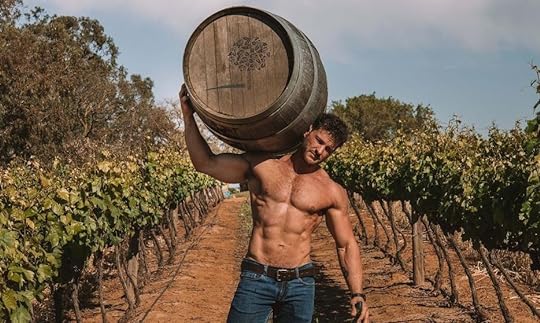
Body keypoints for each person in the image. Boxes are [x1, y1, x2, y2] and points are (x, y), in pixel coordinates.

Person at [179, 84, 370, 323]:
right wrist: (188, 116)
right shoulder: (263, 167)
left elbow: (346, 244)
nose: (320, 150)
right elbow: (206, 163)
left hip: (301, 283)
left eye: (328, 149)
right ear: (307, 131)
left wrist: (356, 292)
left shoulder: (331, 191)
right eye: (319, 140)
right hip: (257, 277)